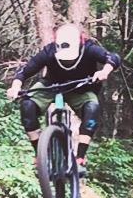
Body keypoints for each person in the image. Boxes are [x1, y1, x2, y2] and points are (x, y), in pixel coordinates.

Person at [7, 23, 122, 168]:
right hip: (51, 85)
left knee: (92, 108)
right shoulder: (49, 51)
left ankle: (80, 156)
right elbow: (26, 70)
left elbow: (113, 57)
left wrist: (104, 71)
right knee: (27, 105)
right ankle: (39, 153)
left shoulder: (89, 48)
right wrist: (16, 86)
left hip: (81, 88)